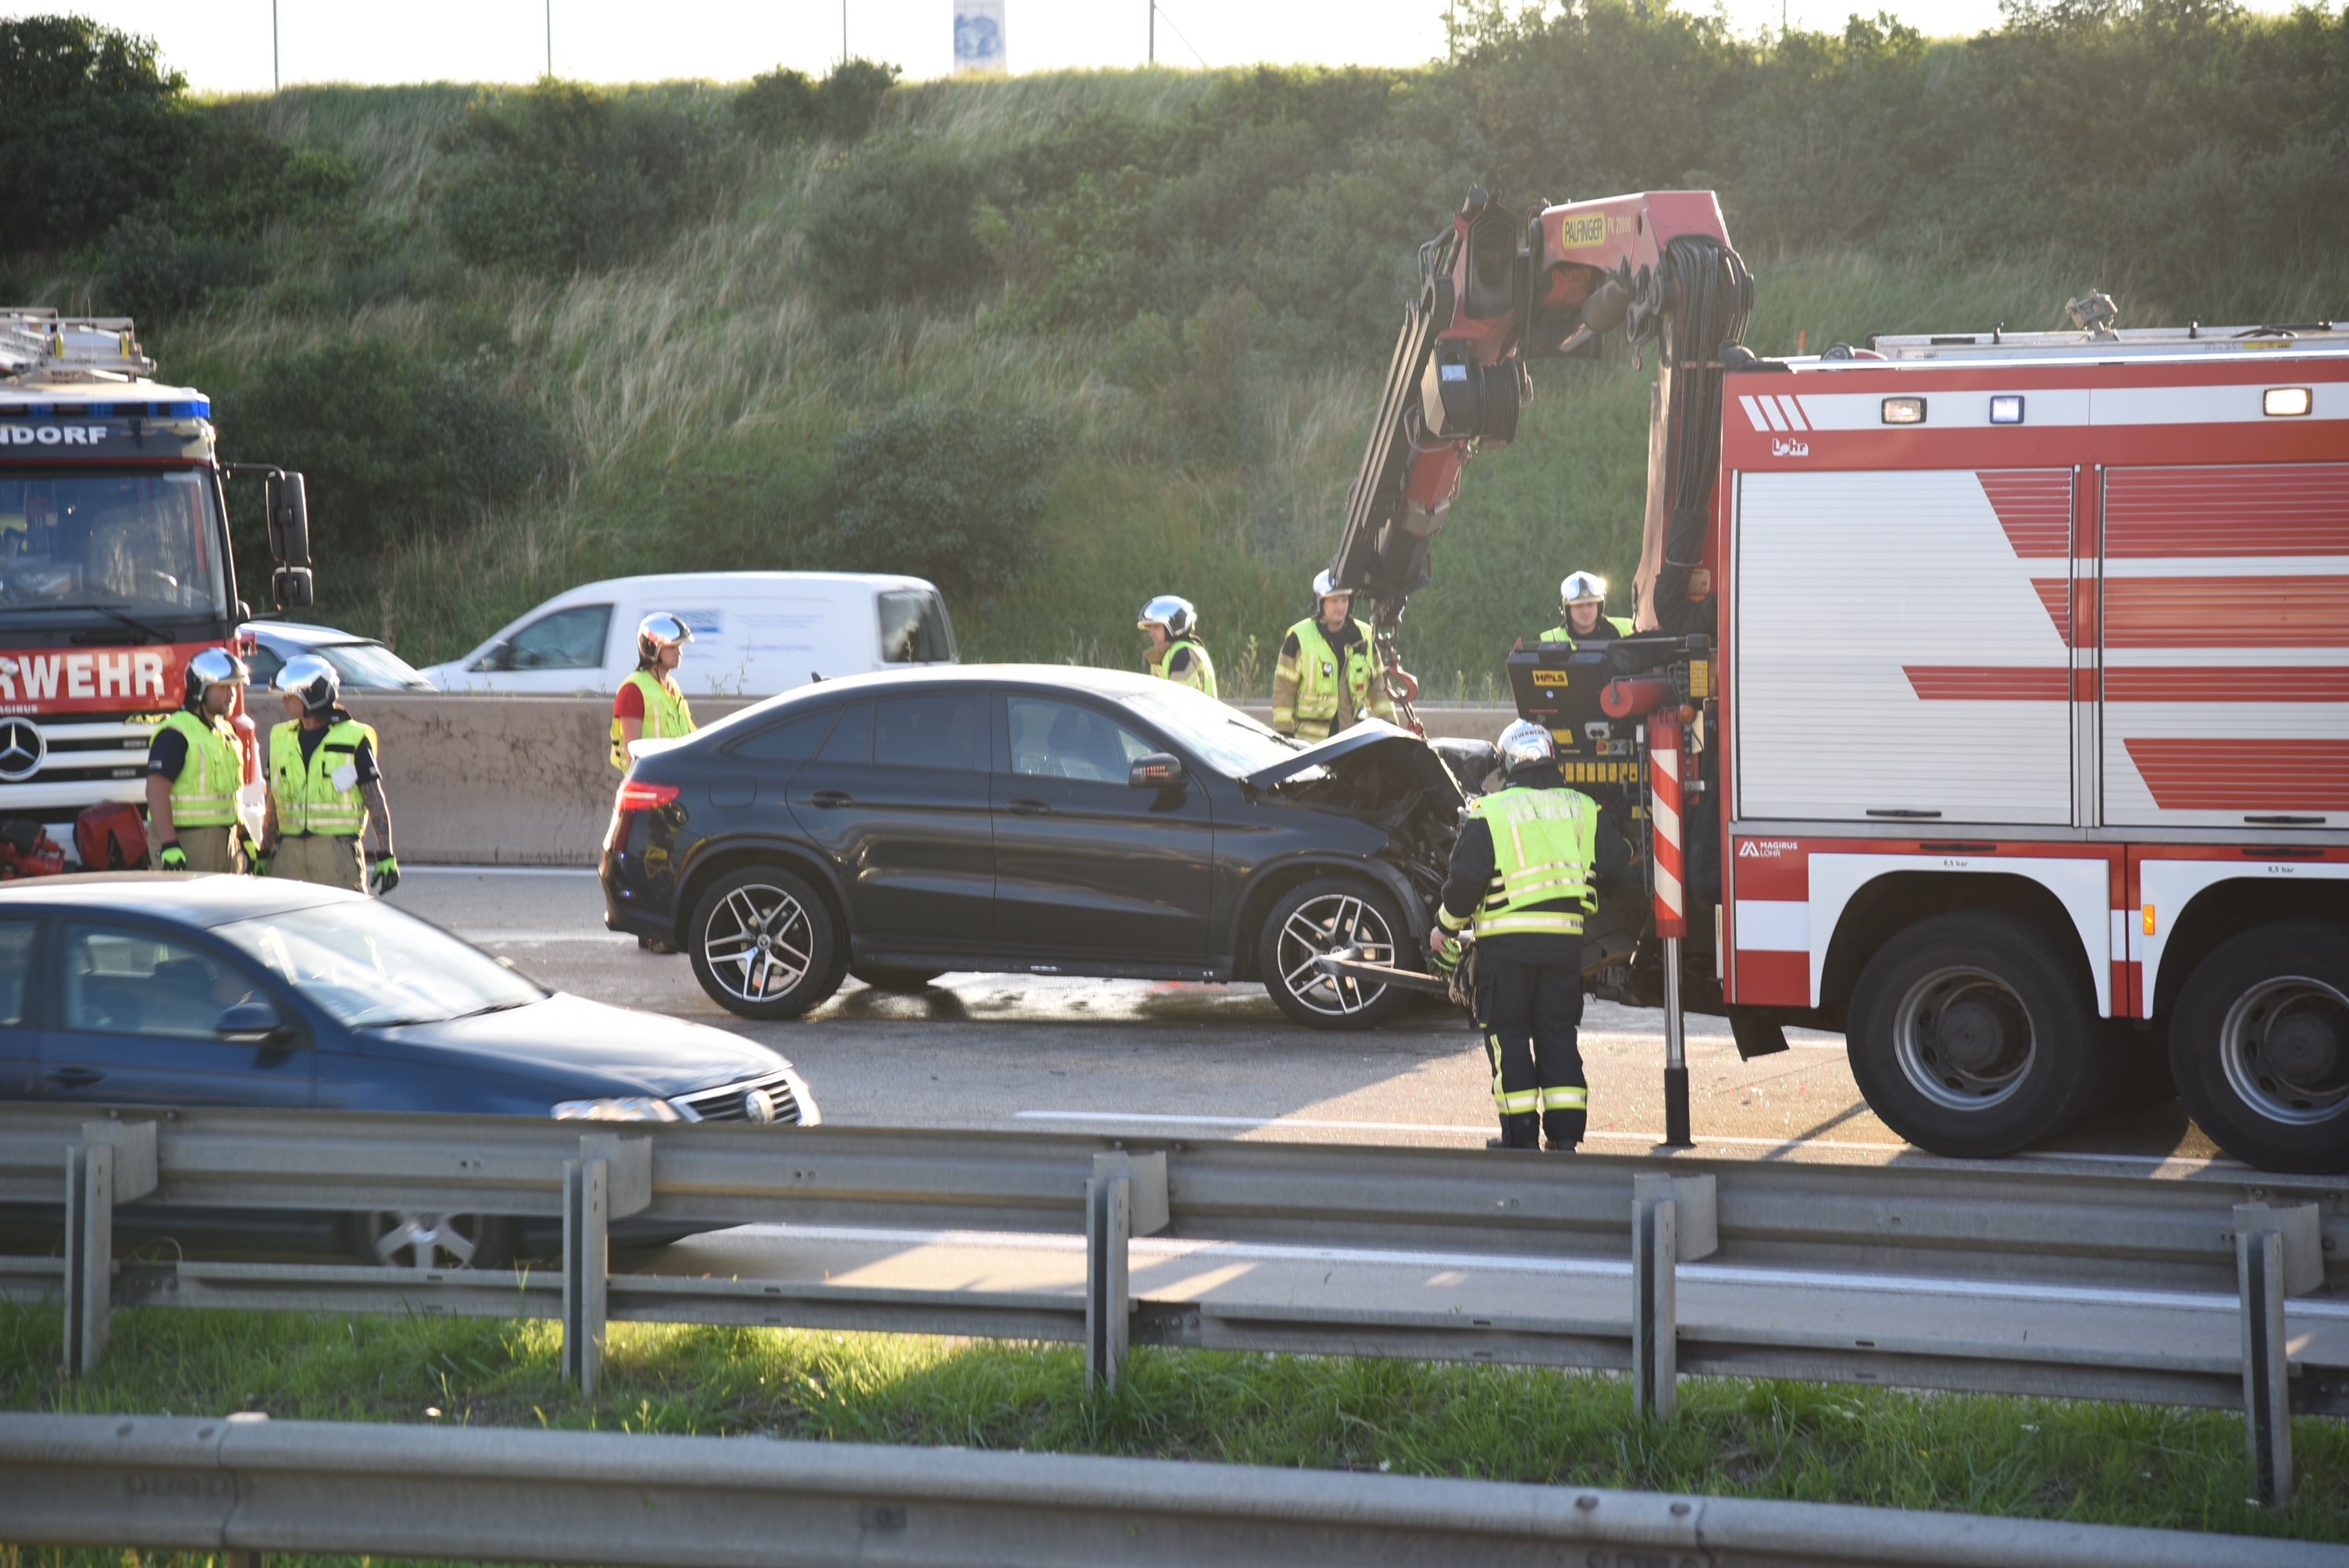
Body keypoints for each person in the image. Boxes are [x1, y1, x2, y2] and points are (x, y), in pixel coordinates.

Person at [1428, 718, 1631, 1152]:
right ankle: (1565, 1138)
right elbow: (1619, 861)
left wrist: (1443, 929)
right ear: (1553, 756)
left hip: (1506, 950)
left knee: (1510, 1035)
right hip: (1564, 948)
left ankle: (1519, 1139)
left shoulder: (1491, 812)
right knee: (1558, 1033)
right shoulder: (1583, 808)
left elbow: (1464, 884)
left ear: (1505, 765)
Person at [262, 654, 397, 894]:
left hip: (337, 856)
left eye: (290, 695)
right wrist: (264, 851)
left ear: (311, 696)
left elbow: (374, 797)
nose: (284, 701)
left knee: (342, 928)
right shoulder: (280, 737)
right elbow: (275, 799)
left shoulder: (354, 737)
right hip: (288, 856)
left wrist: (386, 853)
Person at [145, 647, 250, 874]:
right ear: (200, 688)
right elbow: (156, 790)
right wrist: (169, 844)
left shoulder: (227, 732)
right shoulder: (177, 733)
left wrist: (245, 837)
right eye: (223, 687)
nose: (231, 694)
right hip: (188, 843)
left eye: (234, 686)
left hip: (226, 843)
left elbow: (231, 795)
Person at [1271, 570, 1395, 740]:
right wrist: (1284, 733)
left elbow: (1378, 688)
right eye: (1334, 601)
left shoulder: (1365, 636)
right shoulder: (1299, 637)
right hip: (1309, 745)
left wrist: (1390, 724)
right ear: (1320, 603)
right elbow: (1284, 689)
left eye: (1344, 600)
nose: (1341, 606)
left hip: (1351, 743)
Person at [611, 613, 697, 770]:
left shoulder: (672, 686)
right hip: (653, 781)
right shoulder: (633, 690)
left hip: (680, 776)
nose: (679, 653)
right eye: (672, 647)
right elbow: (632, 753)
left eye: (680, 647)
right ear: (652, 649)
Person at [1138, 594, 1217, 697]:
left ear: (1174, 626)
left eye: (1156, 627)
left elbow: (1179, 703)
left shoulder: (1183, 655)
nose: (1152, 633)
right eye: (1150, 628)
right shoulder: (1168, 653)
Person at [1539, 571, 1634, 649]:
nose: (1586, 611)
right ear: (1567, 609)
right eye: (1579, 605)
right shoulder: (1551, 641)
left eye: (1591, 604)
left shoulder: (1627, 628)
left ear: (1599, 606)